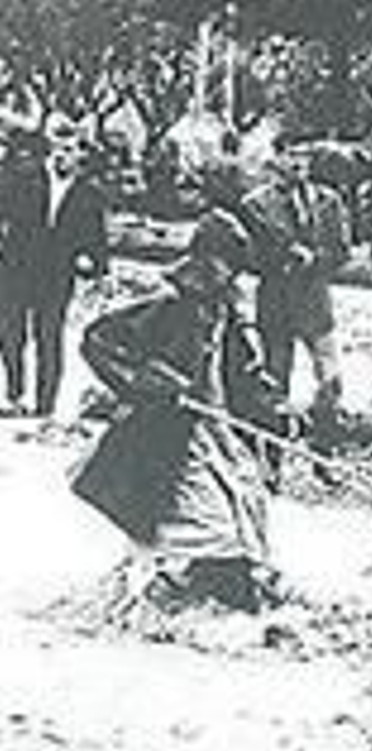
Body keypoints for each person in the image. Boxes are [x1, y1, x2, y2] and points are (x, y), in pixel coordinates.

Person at [70, 209, 279, 611]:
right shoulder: (167, 305)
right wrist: (154, 380)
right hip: (167, 431)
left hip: (214, 427)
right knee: (199, 513)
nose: (232, 277)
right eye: (226, 266)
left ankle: (215, 582)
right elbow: (99, 341)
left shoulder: (226, 311)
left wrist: (274, 404)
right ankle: (164, 587)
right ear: (204, 260)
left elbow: (245, 373)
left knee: (246, 494)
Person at [0, 113, 108, 418]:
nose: (63, 155)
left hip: (56, 277)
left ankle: (44, 405)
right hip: (16, 270)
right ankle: (14, 394)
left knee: (48, 337)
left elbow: (97, 239)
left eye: (71, 150)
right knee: (10, 333)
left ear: (82, 155)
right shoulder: (24, 180)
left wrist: (95, 264)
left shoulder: (90, 195)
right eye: (58, 149)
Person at [241, 135, 351, 429]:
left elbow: (342, 251)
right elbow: (248, 258)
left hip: (315, 300)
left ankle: (326, 436)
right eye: (291, 155)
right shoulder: (256, 206)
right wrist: (282, 259)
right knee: (276, 380)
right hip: (276, 301)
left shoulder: (329, 202)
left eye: (304, 155)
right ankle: (273, 453)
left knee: (330, 374)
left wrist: (315, 259)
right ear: (276, 159)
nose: (299, 162)